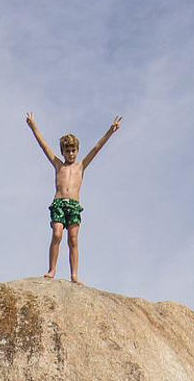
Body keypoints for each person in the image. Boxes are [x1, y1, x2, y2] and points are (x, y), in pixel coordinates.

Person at [26, 112, 122, 285]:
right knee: (56, 234)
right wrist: (33, 127)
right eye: (67, 150)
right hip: (59, 203)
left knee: (73, 239)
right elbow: (44, 146)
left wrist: (111, 131)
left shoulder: (81, 166)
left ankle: (74, 275)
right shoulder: (58, 164)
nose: (71, 153)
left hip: (74, 206)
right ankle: (52, 269)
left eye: (73, 150)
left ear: (77, 151)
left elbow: (97, 147)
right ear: (62, 151)